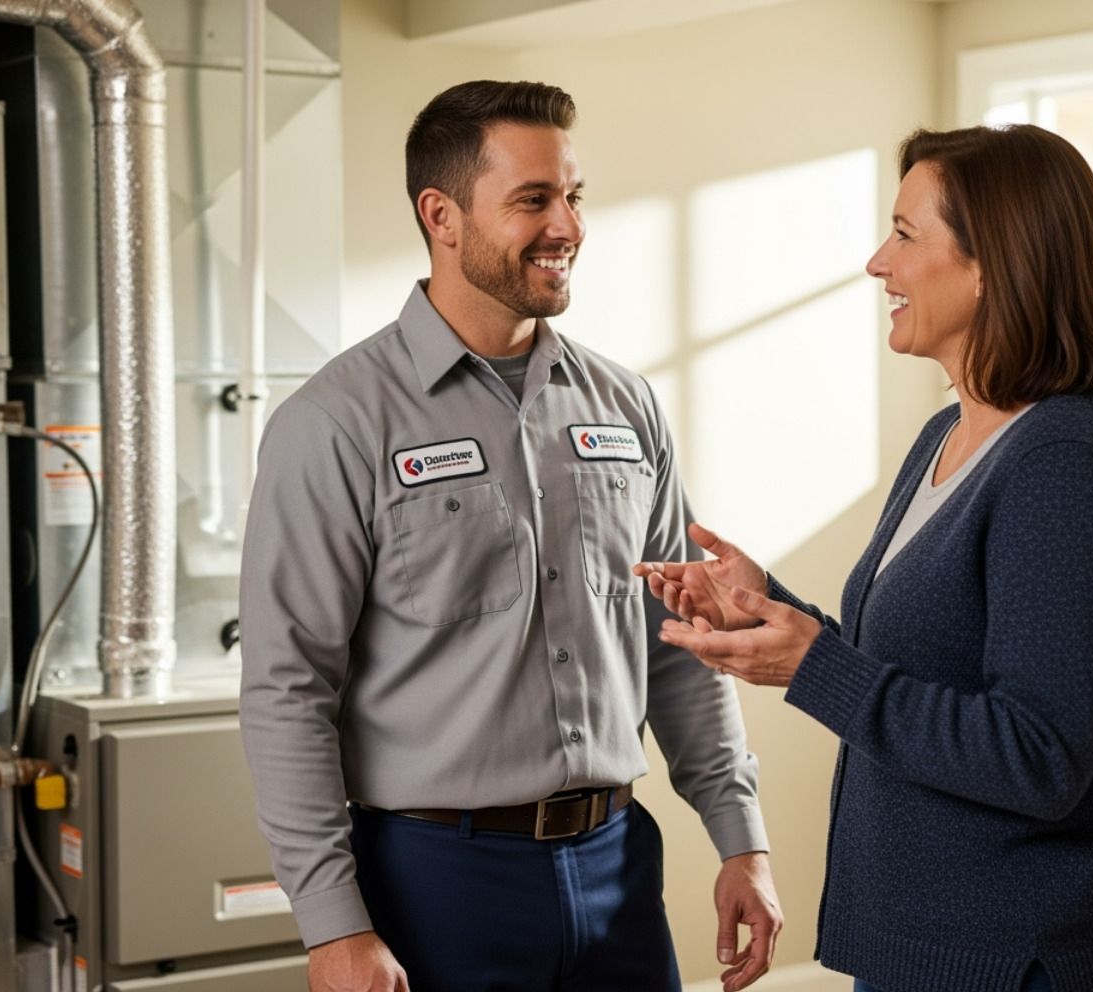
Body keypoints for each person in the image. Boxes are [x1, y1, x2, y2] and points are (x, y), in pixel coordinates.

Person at [240, 80, 781, 992]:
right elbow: (288, 690)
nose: (567, 225)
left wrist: (741, 839)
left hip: (618, 868)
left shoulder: (627, 405)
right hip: (433, 883)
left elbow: (680, 637)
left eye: (574, 196)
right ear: (441, 216)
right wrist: (332, 925)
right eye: (533, 199)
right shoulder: (334, 423)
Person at [637, 124, 1093, 992]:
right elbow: (917, 669)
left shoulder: (1063, 464)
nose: (879, 263)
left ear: (992, 265)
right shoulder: (948, 435)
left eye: (906, 235)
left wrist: (813, 666)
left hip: (1005, 965)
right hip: (919, 955)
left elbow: (1040, 756)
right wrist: (769, 612)